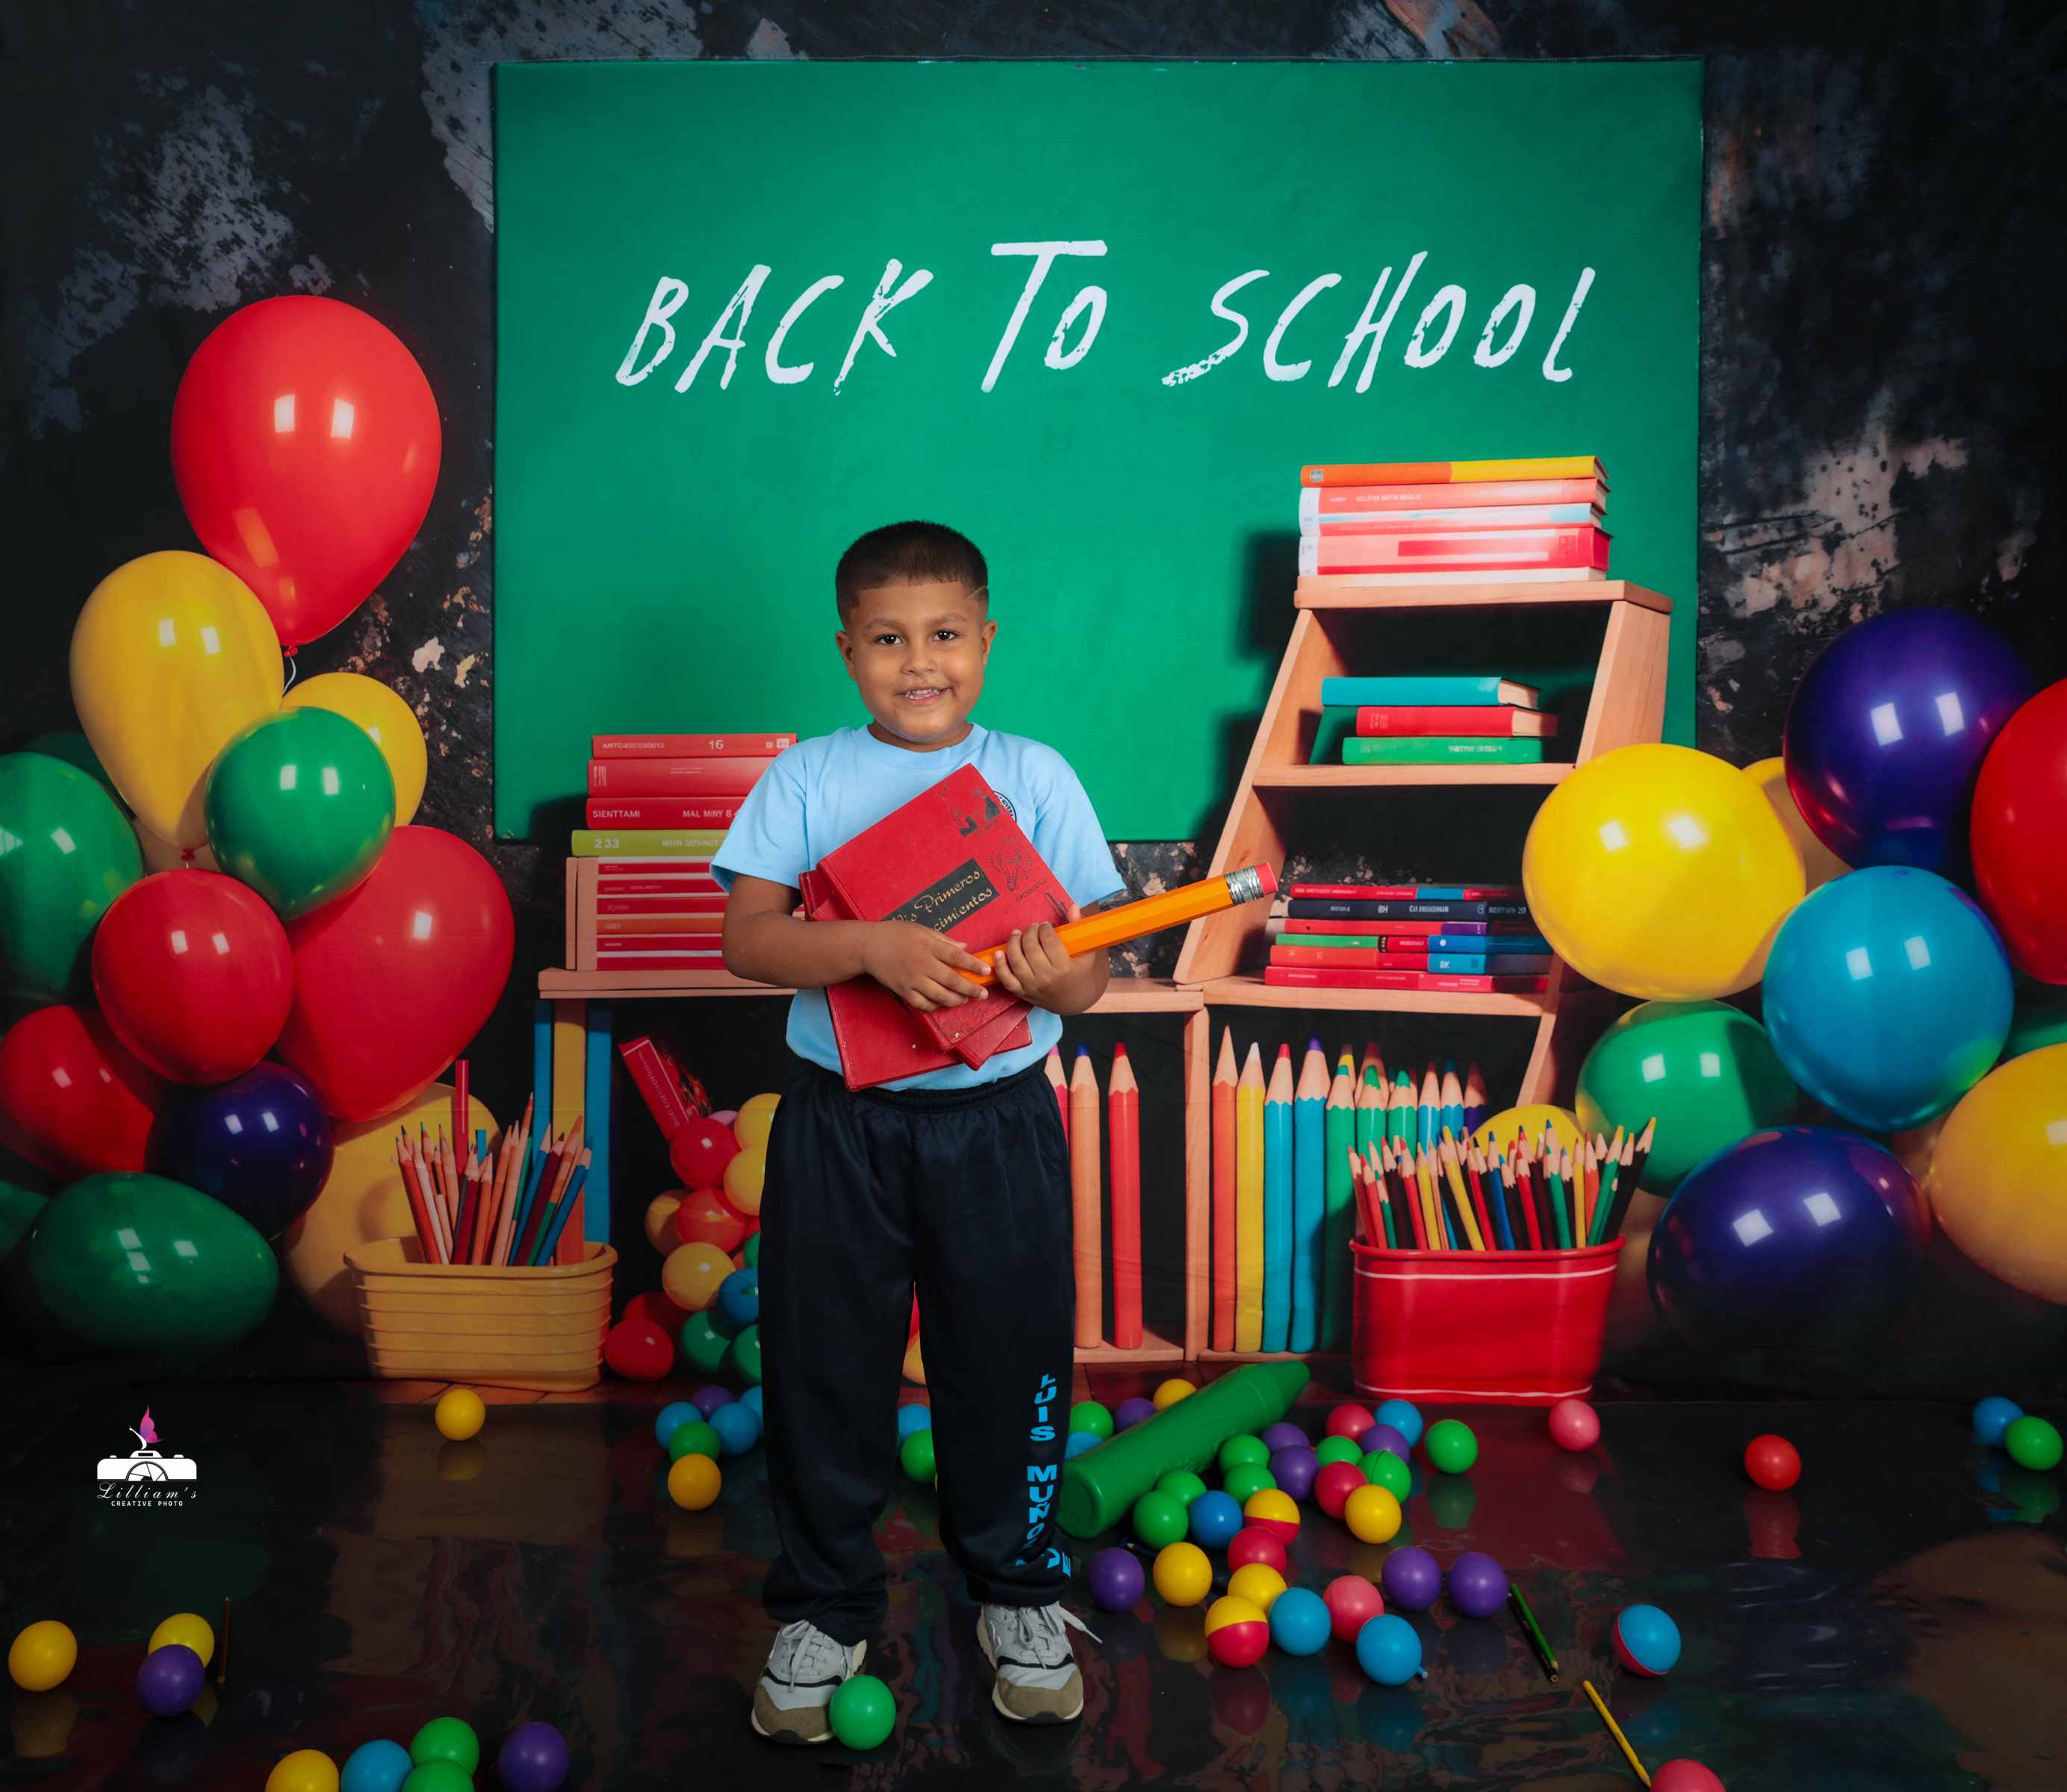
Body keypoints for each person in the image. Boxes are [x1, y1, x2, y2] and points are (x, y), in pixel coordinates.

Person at [714, 520, 1125, 1741]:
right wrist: (871, 948)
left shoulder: (1036, 776)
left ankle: (1017, 1592)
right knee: (821, 1368)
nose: (921, 662)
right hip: (840, 1128)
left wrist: (1059, 977)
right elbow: (747, 940)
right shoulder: (806, 778)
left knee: (1008, 1364)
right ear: (847, 651)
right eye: (889, 640)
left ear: (987, 640)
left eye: (945, 635)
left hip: (997, 1126)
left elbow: (1093, 978)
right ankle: (827, 1605)